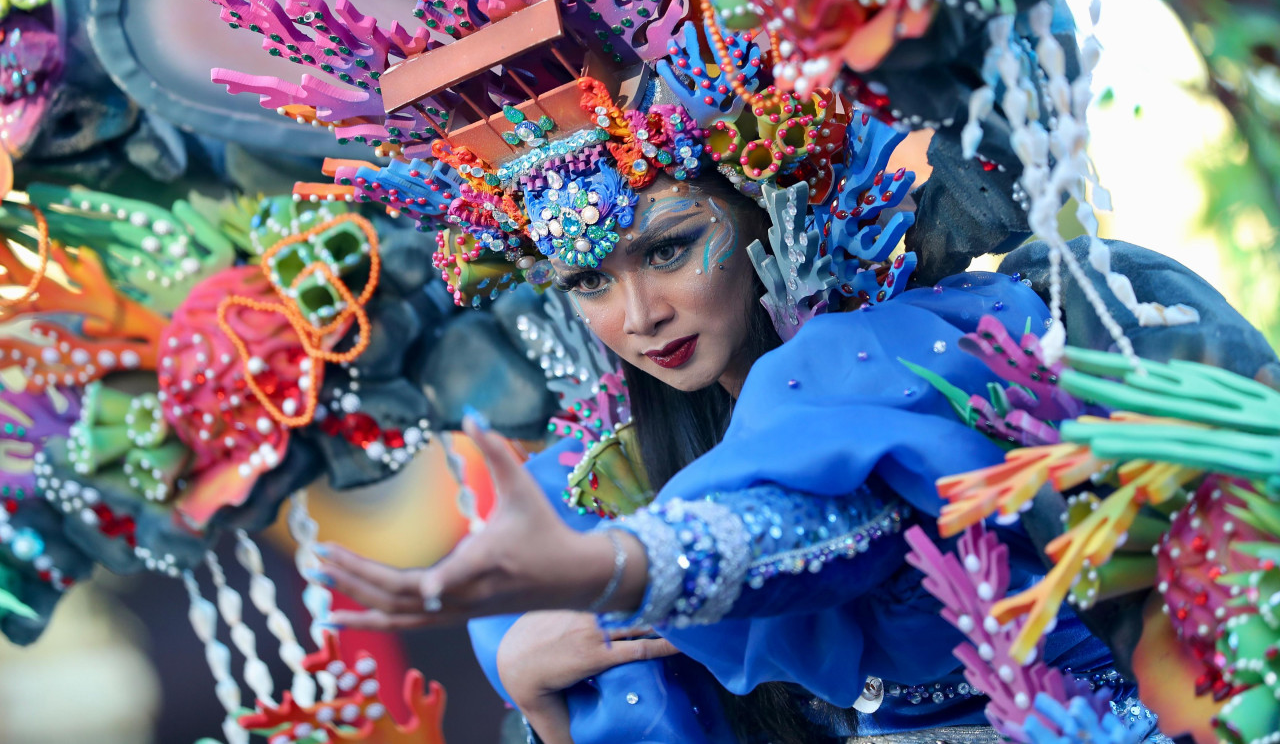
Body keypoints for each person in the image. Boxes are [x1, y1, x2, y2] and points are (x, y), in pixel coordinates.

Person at [309, 162, 1146, 743]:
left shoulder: (899, 350)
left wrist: (621, 570)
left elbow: (825, 522)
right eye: (590, 281)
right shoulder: (613, 470)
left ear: (761, 206)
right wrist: (532, 685)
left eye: (668, 249)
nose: (638, 315)